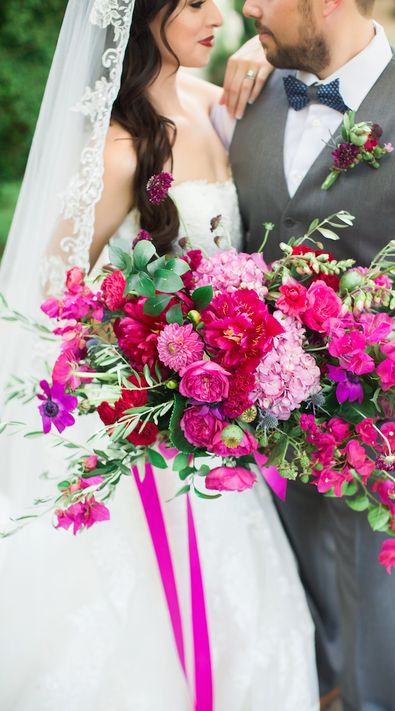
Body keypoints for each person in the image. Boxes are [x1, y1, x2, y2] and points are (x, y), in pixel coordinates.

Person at [0, 1, 320, 709]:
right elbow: (48, 305)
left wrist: (264, 57)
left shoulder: (215, 106)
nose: (219, 14)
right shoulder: (117, 154)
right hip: (156, 439)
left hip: (224, 437)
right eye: (196, 3)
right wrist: (139, 366)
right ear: (144, 14)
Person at [213, 0, 395, 709]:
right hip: (268, 424)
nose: (248, 8)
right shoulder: (250, 94)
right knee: (292, 590)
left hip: (377, 428)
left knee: (373, 610)